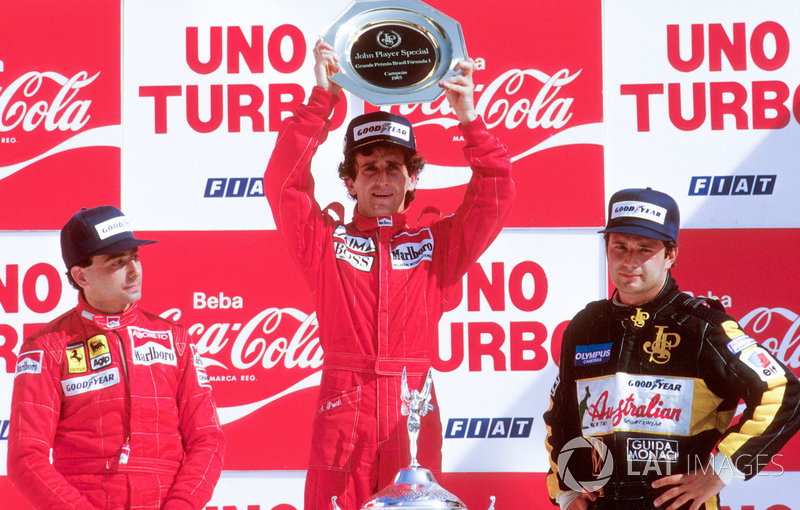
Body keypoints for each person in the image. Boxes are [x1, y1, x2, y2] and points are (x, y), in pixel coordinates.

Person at [264, 39, 515, 509]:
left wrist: (469, 119)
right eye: (370, 168)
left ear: (413, 177)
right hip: (344, 405)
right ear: (349, 180)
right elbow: (283, 184)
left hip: (413, 407)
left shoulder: (437, 245)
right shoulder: (324, 242)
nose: (382, 180)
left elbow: (496, 194)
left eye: (394, 168)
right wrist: (321, 102)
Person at [543, 188, 800, 510]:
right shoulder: (586, 325)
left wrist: (721, 470)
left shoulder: (703, 326)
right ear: (606, 248)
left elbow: (786, 393)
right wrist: (565, 489)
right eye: (619, 246)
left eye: (645, 250)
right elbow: (562, 415)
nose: (629, 261)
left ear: (671, 255)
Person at [8, 206, 226, 510]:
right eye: (118, 262)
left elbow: (208, 440)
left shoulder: (175, 339)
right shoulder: (46, 347)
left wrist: (182, 506)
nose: (135, 270)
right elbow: (25, 459)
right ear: (81, 275)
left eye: (135, 257)